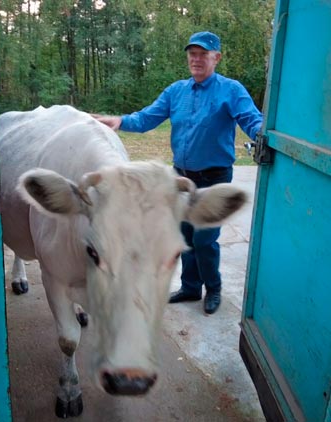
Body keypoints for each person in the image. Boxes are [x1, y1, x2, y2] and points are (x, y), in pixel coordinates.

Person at [92, 31, 263, 315]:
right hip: (182, 179)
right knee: (184, 234)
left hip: (214, 178)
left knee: (204, 239)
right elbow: (147, 118)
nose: (196, 60)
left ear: (216, 58)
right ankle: (191, 287)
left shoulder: (231, 90)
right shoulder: (176, 92)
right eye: (192, 54)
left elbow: (251, 118)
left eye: (203, 54)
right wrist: (119, 121)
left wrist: (263, 134)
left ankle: (214, 288)